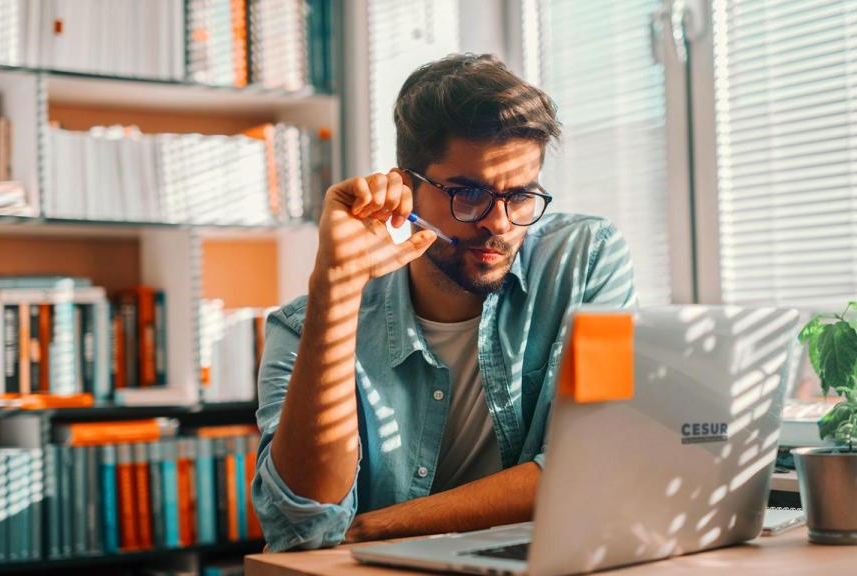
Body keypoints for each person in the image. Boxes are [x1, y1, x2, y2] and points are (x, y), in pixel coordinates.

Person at [252, 53, 638, 551]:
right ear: (407, 188)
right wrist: (335, 287)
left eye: (521, 195)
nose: (498, 224)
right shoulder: (303, 328)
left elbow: (592, 467)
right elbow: (300, 527)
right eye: (468, 193)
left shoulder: (585, 260)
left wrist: (372, 527)